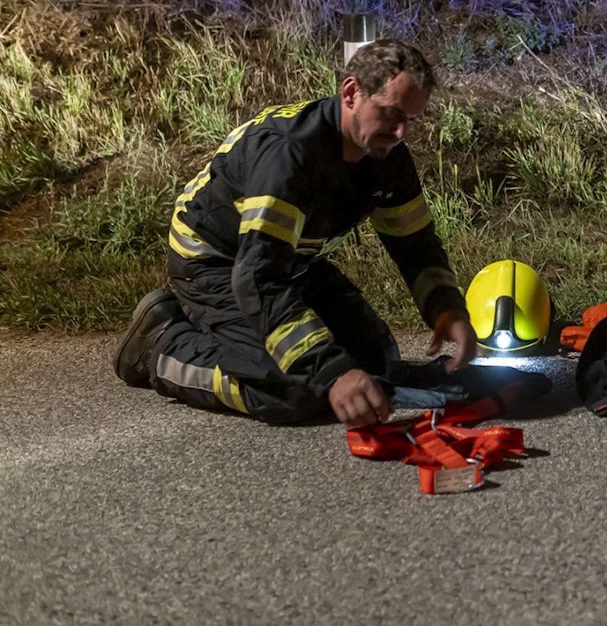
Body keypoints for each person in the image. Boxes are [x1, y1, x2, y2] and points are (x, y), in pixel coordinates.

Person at [112, 39, 478, 427]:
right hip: (216, 263)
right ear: (351, 92)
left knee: (375, 365)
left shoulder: (385, 156)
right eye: (390, 113)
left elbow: (415, 245)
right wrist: (331, 373)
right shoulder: (291, 157)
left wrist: (446, 310)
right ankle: (161, 346)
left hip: (290, 258)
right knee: (300, 390)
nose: (400, 131)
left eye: (411, 119)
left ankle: (246, 347)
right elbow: (257, 278)